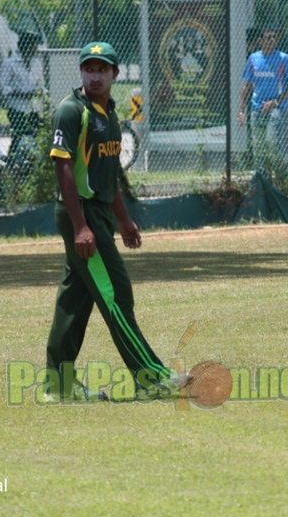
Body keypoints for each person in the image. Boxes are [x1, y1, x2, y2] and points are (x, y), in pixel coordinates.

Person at [45, 41, 184, 403]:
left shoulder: (109, 113)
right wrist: (80, 226)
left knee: (74, 302)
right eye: (89, 68)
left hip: (100, 213)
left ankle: (58, 387)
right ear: (81, 72)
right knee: (116, 295)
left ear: (115, 74)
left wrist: (123, 220)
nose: (95, 75)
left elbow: (108, 174)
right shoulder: (71, 111)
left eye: (102, 69)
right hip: (81, 213)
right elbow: (63, 169)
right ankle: (150, 378)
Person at [238, 24, 288, 173]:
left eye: (274, 38)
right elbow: (246, 85)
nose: (271, 40)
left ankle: (280, 170)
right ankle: (261, 176)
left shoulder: (283, 58)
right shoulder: (254, 58)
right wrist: (241, 110)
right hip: (256, 107)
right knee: (258, 146)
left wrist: (276, 101)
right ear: (260, 40)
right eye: (268, 38)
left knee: (271, 141)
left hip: (275, 106)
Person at [0, 31, 45, 164]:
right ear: (25, 46)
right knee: (19, 136)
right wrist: (18, 92)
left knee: (35, 135)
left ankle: (29, 163)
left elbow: (40, 83)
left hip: (33, 108)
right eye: (33, 45)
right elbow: (3, 87)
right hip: (16, 107)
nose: (35, 49)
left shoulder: (36, 63)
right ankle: (12, 162)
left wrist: (38, 91)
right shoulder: (10, 63)